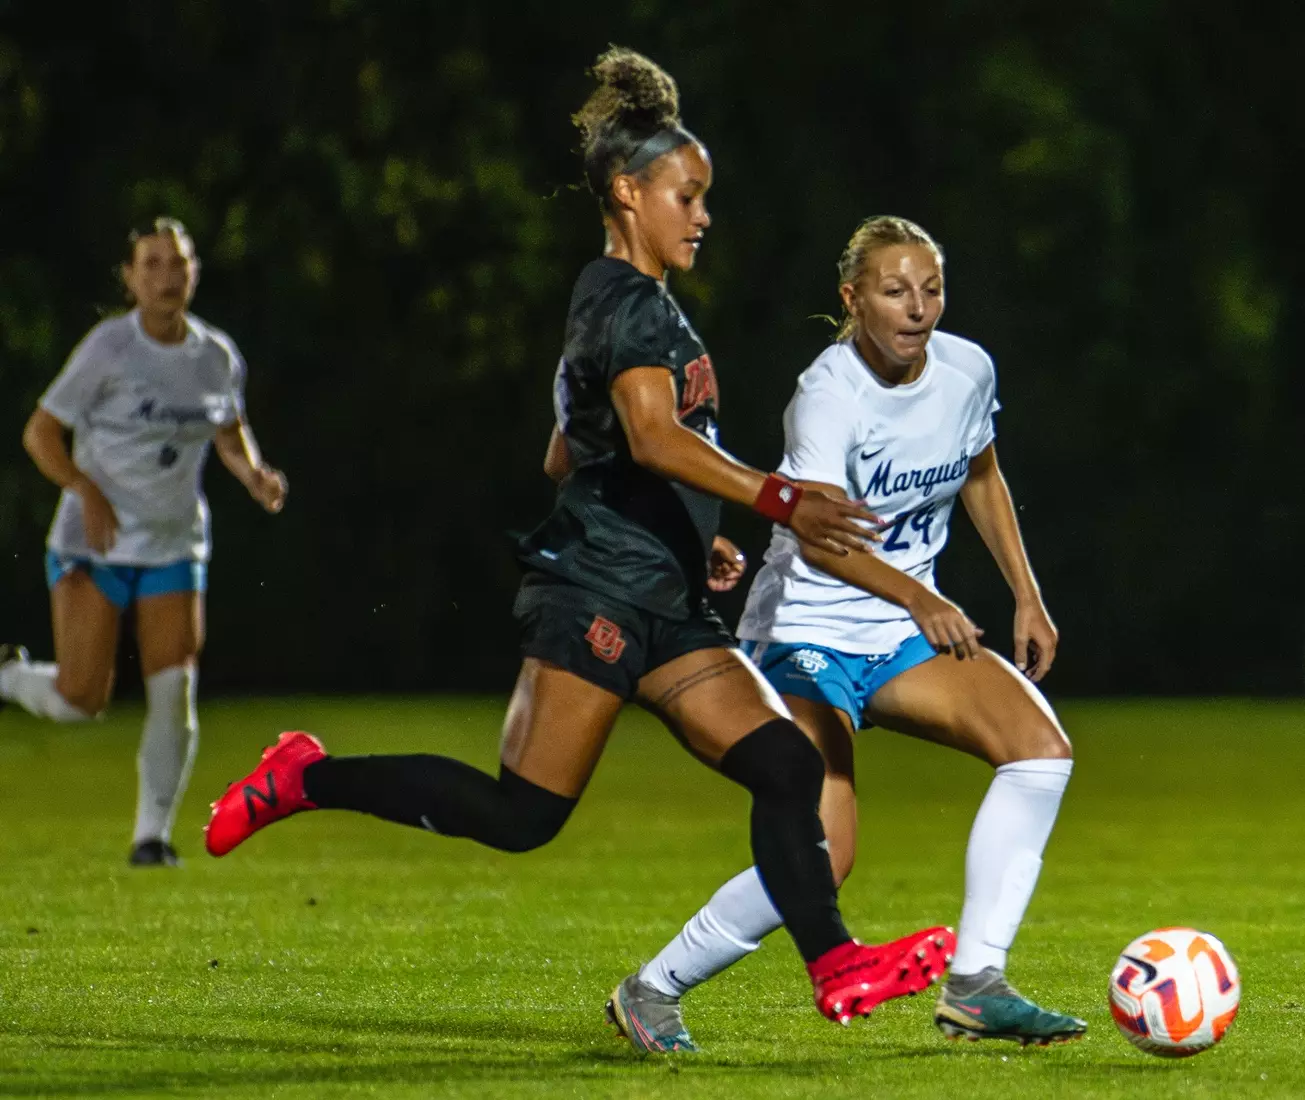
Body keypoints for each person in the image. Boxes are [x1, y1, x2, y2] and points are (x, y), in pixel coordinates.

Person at [200, 49, 952, 1037]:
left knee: (784, 763)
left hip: (664, 597)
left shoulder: (630, 306)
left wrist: (693, 534)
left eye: (705, 197)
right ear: (630, 192)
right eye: (688, 195)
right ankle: (305, 774)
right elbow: (648, 436)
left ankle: (836, 962)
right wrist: (778, 499)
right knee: (523, 815)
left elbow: (569, 452)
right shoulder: (625, 300)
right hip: (595, 590)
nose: (703, 215)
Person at [610, 216, 1086, 1051]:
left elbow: (981, 472)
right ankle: (652, 990)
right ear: (851, 298)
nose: (917, 309)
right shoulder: (827, 396)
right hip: (804, 632)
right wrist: (916, 597)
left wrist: (1026, 594)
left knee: (1038, 749)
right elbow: (822, 539)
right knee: (825, 854)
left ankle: (976, 983)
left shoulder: (967, 369)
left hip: (899, 629)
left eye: (930, 289)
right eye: (894, 291)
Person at [0, 218, 289, 868]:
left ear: (193, 274)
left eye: (178, 264)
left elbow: (227, 428)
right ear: (130, 278)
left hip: (172, 544)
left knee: (174, 687)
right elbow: (40, 434)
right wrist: (85, 487)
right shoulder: (109, 348)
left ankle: (151, 839)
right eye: (152, 264)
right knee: (81, 702)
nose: (166, 276)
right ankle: (12, 675)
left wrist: (254, 475)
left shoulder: (215, 355)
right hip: (93, 543)